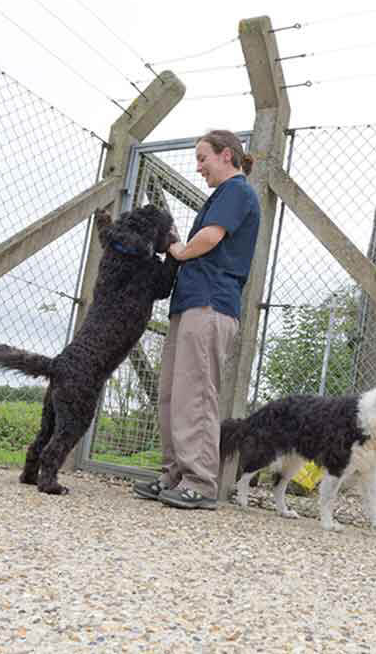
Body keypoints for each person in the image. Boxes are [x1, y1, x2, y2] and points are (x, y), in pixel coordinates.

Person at [132, 129, 260, 509]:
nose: (199, 166)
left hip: (210, 303)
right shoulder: (221, 195)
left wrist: (178, 249)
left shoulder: (237, 191)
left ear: (226, 155)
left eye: (203, 158)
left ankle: (201, 481)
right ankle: (174, 473)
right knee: (173, 394)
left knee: (197, 394)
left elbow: (210, 238)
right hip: (189, 303)